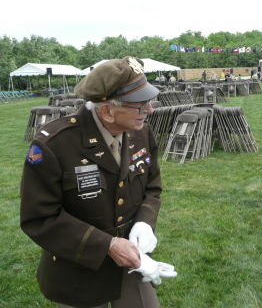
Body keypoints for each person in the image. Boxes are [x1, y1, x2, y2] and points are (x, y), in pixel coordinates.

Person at [20, 57, 177, 308]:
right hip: (79, 267)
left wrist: (144, 224)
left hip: (132, 264)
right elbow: (40, 217)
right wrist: (109, 245)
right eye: (141, 105)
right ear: (107, 111)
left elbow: (152, 187)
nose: (149, 110)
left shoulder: (141, 132)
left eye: (149, 101)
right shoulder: (54, 145)